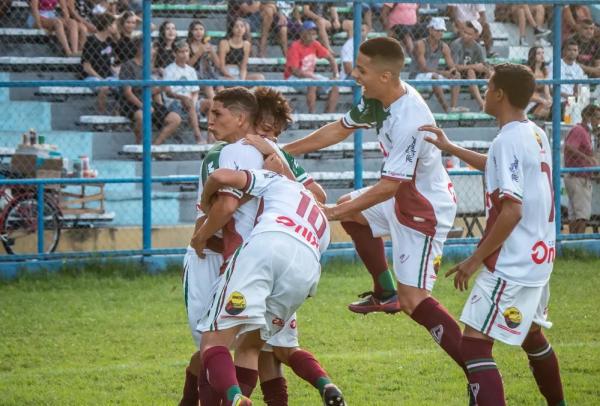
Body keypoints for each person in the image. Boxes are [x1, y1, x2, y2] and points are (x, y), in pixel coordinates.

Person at [284, 37, 471, 403]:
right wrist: (283, 150)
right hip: (401, 196)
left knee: (415, 300)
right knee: (350, 206)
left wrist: (333, 214)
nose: (355, 75)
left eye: (362, 70)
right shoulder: (377, 99)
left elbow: (389, 185)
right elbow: (338, 129)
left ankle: (477, 368)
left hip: (422, 209)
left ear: (385, 75)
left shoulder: (410, 120)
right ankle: (384, 291)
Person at [421, 62, 565, 406]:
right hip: (539, 255)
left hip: (512, 262)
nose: (484, 93)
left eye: (487, 87)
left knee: (473, 345)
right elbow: (497, 167)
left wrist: (474, 260)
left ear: (499, 94)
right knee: (531, 335)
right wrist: (451, 147)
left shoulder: (507, 140)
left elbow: (512, 210)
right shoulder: (533, 132)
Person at [179, 87, 331, 406]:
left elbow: (317, 197)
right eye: (265, 128)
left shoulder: (275, 156)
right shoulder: (226, 153)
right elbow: (217, 207)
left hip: (256, 256)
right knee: (229, 344)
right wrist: (201, 236)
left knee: (248, 344)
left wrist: (278, 173)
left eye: (275, 132)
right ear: (249, 121)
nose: (269, 136)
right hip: (220, 256)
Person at [197, 166, 347, 406]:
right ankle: (326, 384)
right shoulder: (321, 219)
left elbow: (218, 177)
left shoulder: (278, 181)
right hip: (307, 265)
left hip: (268, 245)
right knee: (255, 345)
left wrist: (205, 203)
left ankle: (236, 399)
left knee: (213, 341)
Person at [119, 37, 182, 144]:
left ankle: (154, 146)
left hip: (147, 102)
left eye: (152, 47)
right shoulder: (128, 65)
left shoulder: (147, 67)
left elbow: (149, 91)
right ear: (140, 48)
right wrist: (143, 106)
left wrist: (161, 88)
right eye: (150, 47)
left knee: (175, 119)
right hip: (131, 103)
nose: (152, 50)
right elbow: (128, 93)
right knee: (140, 115)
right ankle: (139, 145)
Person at [410, 17, 464, 113]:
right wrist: (444, 73)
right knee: (434, 77)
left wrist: (453, 72)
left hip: (432, 75)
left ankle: (453, 107)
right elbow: (423, 68)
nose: (440, 33)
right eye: (437, 30)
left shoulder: (444, 46)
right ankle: (446, 109)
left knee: (457, 75)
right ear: (430, 30)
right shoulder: (420, 44)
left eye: (442, 31)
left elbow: (452, 66)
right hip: (417, 77)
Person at [284, 20, 339, 114]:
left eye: (314, 34)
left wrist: (336, 75)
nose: (312, 37)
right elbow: (295, 71)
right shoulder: (295, 46)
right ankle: (312, 115)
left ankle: (328, 117)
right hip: (293, 79)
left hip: (311, 77)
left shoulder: (315, 44)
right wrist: (311, 77)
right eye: (310, 33)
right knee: (312, 83)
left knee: (335, 85)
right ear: (302, 34)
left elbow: (331, 58)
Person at [162, 40, 210, 144]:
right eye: (181, 52)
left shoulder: (191, 70)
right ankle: (198, 136)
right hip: (175, 102)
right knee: (187, 101)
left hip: (190, 102)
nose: (184, 54)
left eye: (187, 51)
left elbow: (195, 91)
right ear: (174, 53)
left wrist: (193, 101)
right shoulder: (169, 69)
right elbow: (168, 93)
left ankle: (210, 140)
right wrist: (184, 98)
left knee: (211, 104)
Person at [564, 104, 600, 234]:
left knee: (575, 214)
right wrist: (587, 158)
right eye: (596, 118)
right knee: (582, 215)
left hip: (578, 176)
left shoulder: (587, 133)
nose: (598, 121)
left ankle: (573, 245)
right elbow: (569, 147)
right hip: (578, 177)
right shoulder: (579, 130)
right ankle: (579, 241)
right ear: (587, 117)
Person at [81, 13, 119, 114]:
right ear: (108, 26)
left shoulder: (109, 40)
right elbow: (86, 67)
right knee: (104, 87)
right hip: (92, 77)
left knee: (124, 86)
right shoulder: (92, 41)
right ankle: (101, 115)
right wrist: (101, 79)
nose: (116, 27)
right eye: (114, 24)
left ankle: (117, 114)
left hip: (107, 76)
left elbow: (111, 62)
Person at [450, 20, 492, 111]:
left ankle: (487, 102)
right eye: (464, 32)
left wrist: (485, 70)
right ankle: (482, 104)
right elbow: (454, 66)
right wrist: (474, 66)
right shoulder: (456, 44)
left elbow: (483, 65)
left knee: (473, 71)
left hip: (472, 76)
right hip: (458, 74)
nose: (465, 35)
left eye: (469, 34)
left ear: (476, 36)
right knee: (469, 71)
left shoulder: (478, 47)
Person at [218, 17, 266, 82]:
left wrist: (242, 80)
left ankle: (246, 90)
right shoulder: (224, 43)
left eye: (242, 26)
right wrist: (230, 76)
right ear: (232, 28)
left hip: (238, 73)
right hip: (226, 73)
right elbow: (222, 66)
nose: (240, 29)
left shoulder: (246, 44)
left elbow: (243, 66)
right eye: (236, 26)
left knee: (260, 77)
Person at [187, 20, 223, 100]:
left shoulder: (207, 44)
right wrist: (199, 52)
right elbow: (187, 65)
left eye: (201, 29)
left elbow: (218, 65)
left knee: (220, 86)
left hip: (208, 74)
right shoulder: (188, 46)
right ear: (191, 32)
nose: (199, 32)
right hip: (194, 75)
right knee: (208, 86)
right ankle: (216, 107)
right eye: (195, 30)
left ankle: (225, 107)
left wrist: (212, 52)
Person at [548, 39, 587, 103]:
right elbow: (550, 88)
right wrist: (567, 96)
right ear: (563, 51)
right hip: (556, 100)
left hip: (571, 101)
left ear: (578, 52)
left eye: (575, 50)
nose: (572, 52)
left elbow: (577, 89)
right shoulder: (555, 64)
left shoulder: (578, 69)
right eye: (569, 49)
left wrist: (574, 96)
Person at [526, 46, 552, 119]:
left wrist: (549, 99)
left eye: (543, 53)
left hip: (541, 101)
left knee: (549, 105)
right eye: (538, 53)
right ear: (533, 56)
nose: (542, 55)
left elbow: (546, 89)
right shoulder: (528, 70)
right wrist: (543, 100)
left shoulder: (544, 70)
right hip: (529, 101)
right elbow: (527, 93)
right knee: (544, 107)